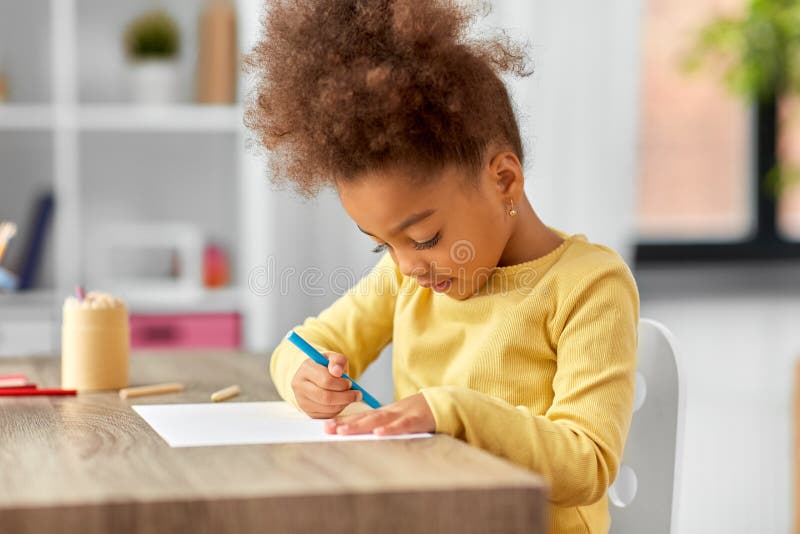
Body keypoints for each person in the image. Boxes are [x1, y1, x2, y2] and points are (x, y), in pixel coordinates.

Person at [244, 1, 639, 532]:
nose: (408, 267)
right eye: (381, 245)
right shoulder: (409, 277)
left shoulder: (588, 285)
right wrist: (302, 378)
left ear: (504, 180)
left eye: (426, 237)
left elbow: (588, 464)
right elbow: (304, 343)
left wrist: (449, 411)